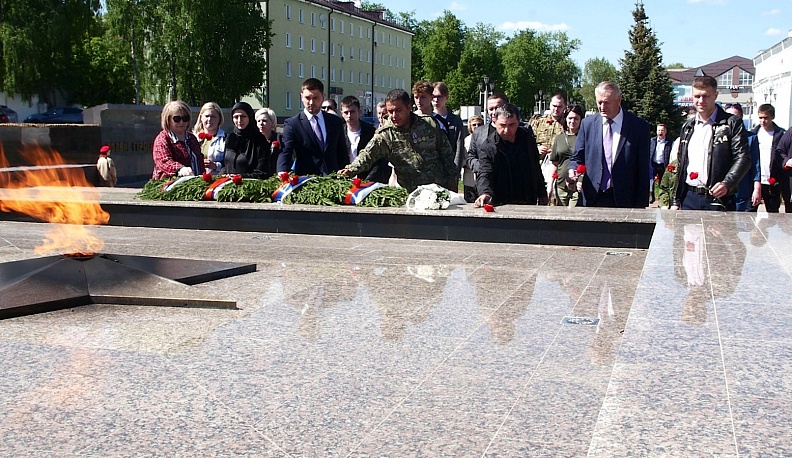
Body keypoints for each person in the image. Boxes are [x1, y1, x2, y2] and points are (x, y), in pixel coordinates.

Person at [339, 88, 457, 192]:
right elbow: (367, 155)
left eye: (398, 110)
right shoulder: (386, 134)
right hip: (410, 193)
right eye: (390, 111)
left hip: (437, 189)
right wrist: (351, 170)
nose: (394, 115)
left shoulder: (428, 124)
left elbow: (446, 154)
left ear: (409, 107)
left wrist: (452, 182)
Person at [671, 76, 749, 211]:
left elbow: (743, 158)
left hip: (718, 198)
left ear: (715, 95)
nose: (701, 101)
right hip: (688, 198)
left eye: (706, 96)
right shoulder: (688, 126)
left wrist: (727, 183)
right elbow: (681, 163)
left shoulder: (731, 123)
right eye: (697, 96)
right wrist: (675, 200)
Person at [568, 81, 650, 208]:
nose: (602, 107)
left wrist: (641, 205)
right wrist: (572, 169)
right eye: (599, 102)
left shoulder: (638, 127)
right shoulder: (587, 124)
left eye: (606, 102)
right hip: (592, 198)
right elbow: (577, 157)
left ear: (619, 100)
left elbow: (643, 169)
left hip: (624, 200)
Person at [474, 104, 546, 207]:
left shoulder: (527, 138)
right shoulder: (488, 146)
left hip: (528, 199)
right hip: (503, 202)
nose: (507, 130)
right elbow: (485, 173)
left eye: (511, 125)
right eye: (502, 125)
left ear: (518, 121)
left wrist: (542, 192)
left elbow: (535, 167)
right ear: (495, 122)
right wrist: (485, 193)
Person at [277, 78, 349, 175]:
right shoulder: (293, 124)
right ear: (301, 97)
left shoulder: (335, 122)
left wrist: (347, 173)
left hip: (334, 179)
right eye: (307, 98)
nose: (311, 102)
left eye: (315, 98)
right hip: (306, 181)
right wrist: (282, 172)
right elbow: (286, 151)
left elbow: (342, 152)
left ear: (323, 97)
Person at [340, 95, 390, 183]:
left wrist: (368, 182)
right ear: (341, 113)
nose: (349, 115)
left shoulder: (371, 132)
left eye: (352, 112)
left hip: (366, 180)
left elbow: (378, 160)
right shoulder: (338, 132)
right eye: (346, 112)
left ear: (359, 111)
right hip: (344, 180)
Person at [529, 93, 567, 202]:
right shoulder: (538, 122)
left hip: (558, 167)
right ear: (550, 105)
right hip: (538, 165)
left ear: (564, 107)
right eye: (554, 106)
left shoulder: (568, 123)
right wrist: (537, 147)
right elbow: (528, 141)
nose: (556, 109)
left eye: (559, 106)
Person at [152, 100, 205, 179]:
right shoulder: (163, 139)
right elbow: (164, 162)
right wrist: (180, 169)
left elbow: (199, 161)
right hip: (170, 185)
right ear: (168, 120)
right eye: (177, 119)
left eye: (185, 118)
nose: (181, 122)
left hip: (196, 183)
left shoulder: (192, 138)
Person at [750, 103, 788, 212]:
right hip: (756, 179)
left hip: (772, 179)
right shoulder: (754, 133)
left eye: (766, 118)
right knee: (750, 210)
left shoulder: (780, 134)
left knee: (772, 212)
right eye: (760, 118)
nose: (763, 121)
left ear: (772, 117)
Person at [466, 92, 509, 184]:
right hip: (486, 184)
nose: (494, 112)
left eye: (497, 108)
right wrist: (483, 167)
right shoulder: (478, 132)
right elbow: (470, 157)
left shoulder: (522, 131)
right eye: (491, 109)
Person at [222, 102, 273, 178]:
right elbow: (225, 165)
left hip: (250, 186)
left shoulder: (259, 140)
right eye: (236, 117)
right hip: (228, 185)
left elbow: (262, 172)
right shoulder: (230, 138)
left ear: (250, 117)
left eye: (243, 116)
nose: (239, 120)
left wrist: (240, 177)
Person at [724, 103, 760, 211]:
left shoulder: (751, 138)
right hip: (723, 189)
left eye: (735, 117)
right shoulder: (719, 137)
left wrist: (757, 188)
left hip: (743, 191)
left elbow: (756, 165)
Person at [432, 82, 467, 191]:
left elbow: (459, 147)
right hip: (431, 171)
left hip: (449, 170)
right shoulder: (428, 119)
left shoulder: (455, 121)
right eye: (433, 97)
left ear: (446, 97)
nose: (436, 100)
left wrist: (455, 172)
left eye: (439, 97)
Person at [550, 105, 584, 207]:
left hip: (578, 187)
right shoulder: (559, 138)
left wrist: (581, 180)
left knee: (575, 217)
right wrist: (550, 185)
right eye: (570, 118)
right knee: (561, 219)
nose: (572, 121)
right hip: (561, 185)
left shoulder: (585, 138)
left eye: (576, 118)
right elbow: (555, 163)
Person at [194, 102, 227, 175]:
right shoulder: (192, 138)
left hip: (217, 179)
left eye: (213, 116)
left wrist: (216, 166)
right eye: (207, 116)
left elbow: (230, 163)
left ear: (219, 119)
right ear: (201, 117)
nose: (209, 119)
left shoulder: (226, 139)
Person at [462, 115, 485, 202]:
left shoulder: (486, 138)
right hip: (469, 177)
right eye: (474, 125)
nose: (476, 127)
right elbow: (463, 157)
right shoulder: (466, 140)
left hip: (483, 177)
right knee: (469, 202)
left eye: (479, 124)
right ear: (470, 127)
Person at [650, 123, 673, 203]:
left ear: (665, 131)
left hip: (664, 165)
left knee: (663, 183)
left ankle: (662, 199)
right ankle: (651, 197)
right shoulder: (652, 141)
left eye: (662, 130)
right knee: (651, 182)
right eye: (659, 130)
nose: (660, 132)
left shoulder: (669, 142)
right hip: (653, 164)